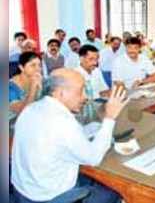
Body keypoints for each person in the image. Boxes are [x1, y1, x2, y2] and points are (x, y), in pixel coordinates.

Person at [11, 68, 127, 203]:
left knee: (90, 179)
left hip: (22, 191)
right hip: (49, 197)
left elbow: (54, 137)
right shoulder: (63, 122)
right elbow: (94, 158)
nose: (85, 96)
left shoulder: (31, 108)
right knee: (116, 193)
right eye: (81, 90)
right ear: (61, 93)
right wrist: (109, 117)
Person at [9, 52, 43, 121]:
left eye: (39, 65)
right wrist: (33, 88)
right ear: (21, 67)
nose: (38, 69)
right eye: (33, 65)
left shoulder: (37, 79)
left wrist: (41, 89)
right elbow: (23, 112)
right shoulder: (10, 87)